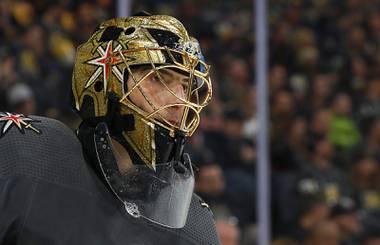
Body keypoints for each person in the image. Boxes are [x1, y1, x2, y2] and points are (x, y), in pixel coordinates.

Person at [0, 13, 220, 245]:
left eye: (186, 87)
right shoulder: (23, 152)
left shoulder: (195, 224)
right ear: (104, 81)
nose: (179, 101)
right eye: (158, 78)